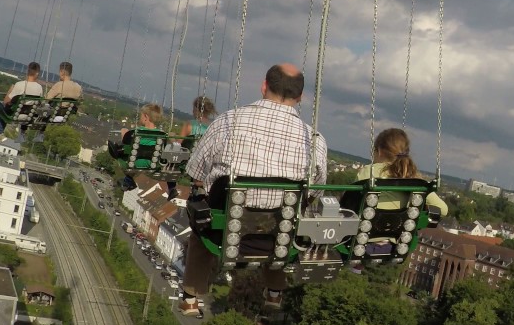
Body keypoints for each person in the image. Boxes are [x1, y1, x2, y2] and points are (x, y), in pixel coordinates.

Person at [184, 63, 328, 306]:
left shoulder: (227, 121)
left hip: (224, 233)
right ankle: (274, 291)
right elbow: (315, 191)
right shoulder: (314, 140)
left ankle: (191, 294)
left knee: (199, 218)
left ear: (264, 86)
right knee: (285, 223)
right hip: (276, 236)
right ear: (300, 97)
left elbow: (196, 172)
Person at [354, 128, 448, 216]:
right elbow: (443, 210)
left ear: (379, 151)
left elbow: (350, 202)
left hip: (366, 231)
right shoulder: (414, 179)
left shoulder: (369, 171)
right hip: (402, 233)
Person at [0, 62, 44, 141]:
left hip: (15, 114)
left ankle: (0, 132)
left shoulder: (19, 85)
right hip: (28, 115)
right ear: (37, 73)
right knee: (5, 108)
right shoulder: (39, 88)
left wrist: (10, 90)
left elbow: (6, 101)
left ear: (27, 71)